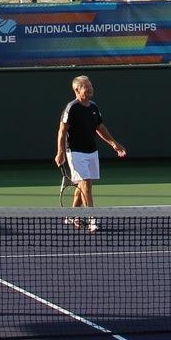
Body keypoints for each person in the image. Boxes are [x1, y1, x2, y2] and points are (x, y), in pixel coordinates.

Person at [55, 74, 126, 230]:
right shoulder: (71, 108)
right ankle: (92, 218)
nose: (91, 88)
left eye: (91, 85)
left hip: (91, 151)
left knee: (84, 186)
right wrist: (60, 152)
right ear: (77, 90)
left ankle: (72, 215)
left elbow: (100, 128)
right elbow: (62, 131)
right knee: (85, 183)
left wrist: (114, 143)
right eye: (87, 86)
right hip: (74, 152)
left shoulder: (93, 107)